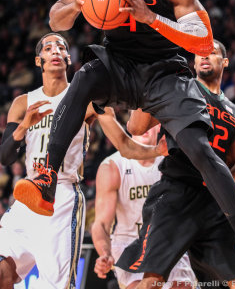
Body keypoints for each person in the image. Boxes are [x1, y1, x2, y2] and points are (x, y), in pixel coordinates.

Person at [14, 0, 235, 283]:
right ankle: (45, 178)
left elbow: (204, 41)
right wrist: (75, 3)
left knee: (198, 146)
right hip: (120, 65)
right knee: (86, 77)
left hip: (165, 72)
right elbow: (56, 19)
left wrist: (151, 17)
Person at [0, 33, 165, 288]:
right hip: (29, 192)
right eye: (48, 47)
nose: (55, 50)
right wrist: (23, 126)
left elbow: (124, 146)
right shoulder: (23, 103)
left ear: (68, 57)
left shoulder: (90, 99)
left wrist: (158, 150)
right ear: (38, 60)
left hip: (62, 197)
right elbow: (5, 156)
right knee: (2, 273)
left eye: (61, 46)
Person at [116, 40, 235, 288]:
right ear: (193, 62)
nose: (204, 56)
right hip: (176, 193)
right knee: (152, 280)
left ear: (224, 62)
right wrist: (148, 84)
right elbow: (136, 127)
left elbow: (233, 178)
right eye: (199, 53)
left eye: (212, 53)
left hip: (214, 202)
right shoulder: (179, 88)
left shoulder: (234, 112)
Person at [92, 124, 195, 289]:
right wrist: (105, 253)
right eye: (139, 117)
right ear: (130, 124)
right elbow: (101, 224)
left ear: (158, 125)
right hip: (131, 244)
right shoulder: (113, 166)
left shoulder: (175, 162)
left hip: (169, 243)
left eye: (149, 119)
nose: (143, 125)